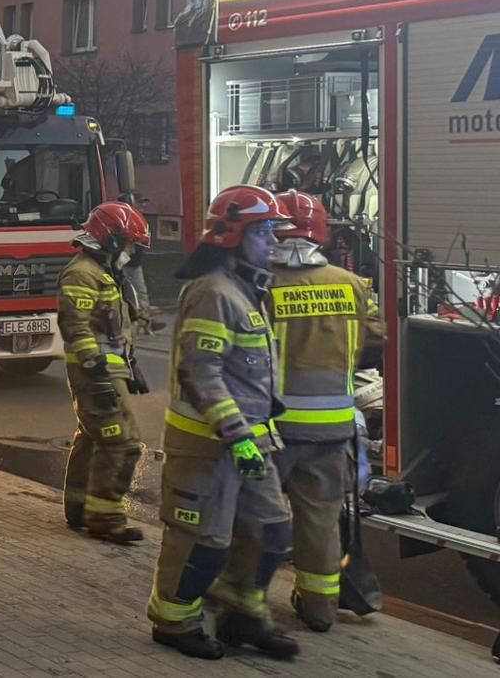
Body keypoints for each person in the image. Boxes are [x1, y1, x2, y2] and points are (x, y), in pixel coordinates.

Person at [210, 190, 384, 633]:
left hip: (273, 428)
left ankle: (242, 596)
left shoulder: (260, 282)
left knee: (254, 517)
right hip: (333, 428)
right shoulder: (351, 283)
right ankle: (320, 608)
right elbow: (373, 341)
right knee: (322, 520)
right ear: (322, 232)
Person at [147, 184, 298, 661]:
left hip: (252, 443)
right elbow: (201, 372)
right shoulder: (213, 292)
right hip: (208, 447)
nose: (274, 241)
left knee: (272, 529)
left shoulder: (246, 288)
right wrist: (236, 436)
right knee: (202, 542)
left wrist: (253, 440)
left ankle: (243, 615)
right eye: (266, 231)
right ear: (233, 235)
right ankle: (174, 621)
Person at [58, 202, 152, 545]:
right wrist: (95, 369)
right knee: (122, 442)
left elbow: (112, 323)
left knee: (92, 435)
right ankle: (106, 518)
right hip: (95, 371)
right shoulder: (82, 273)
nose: (132, 253)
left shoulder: (104, 271)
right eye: (129, 244)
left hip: (108, 369)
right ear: (111, 240)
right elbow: (75, 325)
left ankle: (80, 509)